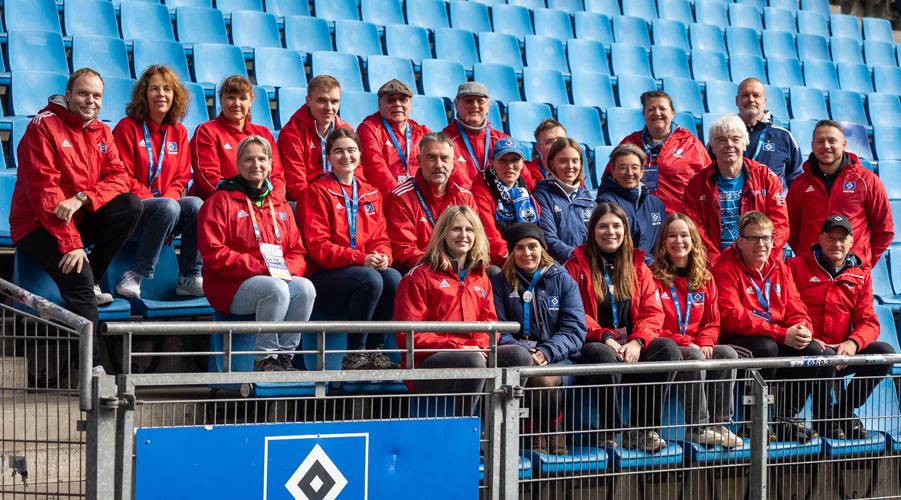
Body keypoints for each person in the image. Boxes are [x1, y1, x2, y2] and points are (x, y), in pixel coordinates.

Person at [11, 68, 143, 375]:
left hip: (76, 216)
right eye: (83, 93)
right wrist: (71, 244)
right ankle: (91, 369)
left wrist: (83, 198)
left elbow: (120, 178)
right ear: (68, 94)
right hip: (35, 222)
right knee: (79, 278)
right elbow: (44, 192)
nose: (90, 101)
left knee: (130, 205)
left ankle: (94, 278)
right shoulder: (43, 126)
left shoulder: (101, 131)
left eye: (97, 95)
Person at [395, 205, 533, 416]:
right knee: (472, 362)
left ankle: (500, 426)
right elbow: (409, 336)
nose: (463, 235)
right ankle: (466, 428)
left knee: (519, 355)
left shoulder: (481, 277)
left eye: (469, 229)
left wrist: (478, 347)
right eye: (456, 229)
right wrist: (461, 348)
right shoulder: (418, 276)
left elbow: (489, 325)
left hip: (473, 354)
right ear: (443, 233)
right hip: (424, 364)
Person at [565, 203, 681, 452]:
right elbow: (574, 313)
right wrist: (606, 337)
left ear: (625, 230)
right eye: (603, 226)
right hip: (592, 344)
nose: (610, 232)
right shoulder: (575, 266)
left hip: (631, 346)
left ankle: (642, 429)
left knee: (668, 349)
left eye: (617, 226)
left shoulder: (638, 266)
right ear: (592, 230)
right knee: (603, 354)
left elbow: (653, 311)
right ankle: (611, 429)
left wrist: (637, 341)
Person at [198, 136, 315, 371]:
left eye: (262, 159)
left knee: (305, 288)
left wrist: (283, 269)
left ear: (270, 164)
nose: (256, 165)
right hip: (228, 285)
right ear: (237, 164)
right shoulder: (219, 201)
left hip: (272, 278)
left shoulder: (279, 204)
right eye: (248, 159)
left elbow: (297, 252)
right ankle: (265, 358)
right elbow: (214, 252)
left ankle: (285, 357)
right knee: (276, 288)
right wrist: (261, 268)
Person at [712, 211, 821, 442]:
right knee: (766, 348)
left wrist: (802, 330)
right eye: (753, 238)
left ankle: (785, 420)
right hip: (734, 341)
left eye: (766, 238)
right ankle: (752, 422)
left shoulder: (779, 267)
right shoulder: (723, 268)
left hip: (772, 337)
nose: (760, 244)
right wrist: (781, 334)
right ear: (740, 241)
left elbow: (796, 306)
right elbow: (732, 316)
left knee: (811, 350)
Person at [300, 128, 402, 371]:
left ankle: (376, 352)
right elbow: (318, 247)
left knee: (392, 277)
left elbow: (381, 237)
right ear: (328, 156)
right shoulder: (316, 191)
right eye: (338, 151)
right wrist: (360, 258)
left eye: (351, 150)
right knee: (370, 278)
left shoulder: (371, 193)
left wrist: (382, 256)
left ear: (360, 154)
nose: (346, 156)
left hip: (360, 269)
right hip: (323, 276)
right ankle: (354, 354)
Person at [788, 215, 895, 440]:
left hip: (840, 352)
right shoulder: (794, 266)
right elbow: (787, 308)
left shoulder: (860, 276)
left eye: (842, 239)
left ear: (851, 242)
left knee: (885, 353)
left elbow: (868, 321)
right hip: (806, 349)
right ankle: (822, 417)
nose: (836, 243)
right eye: (831, 238)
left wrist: (853, 343)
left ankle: (844, 411)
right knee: (824, 354)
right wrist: (808, 337)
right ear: (820, 239)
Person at [492, 223, 587, 455]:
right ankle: (539, 435)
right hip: (520, 356)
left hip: (559, 357)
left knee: (543, 378)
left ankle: (551, 431)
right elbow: (498, 328)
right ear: (511, 252)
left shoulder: (563, 279)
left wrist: (547, 352)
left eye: (532, 246)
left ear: (542, 248)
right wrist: (524, 353)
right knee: (532, 373)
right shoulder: (500, 282)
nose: (527, 253)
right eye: (519, 248)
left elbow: (575, 329)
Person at [112, 65, 204, 298]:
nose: (161, 94)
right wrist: (163, 208)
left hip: (166, 211)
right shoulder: (126, 127)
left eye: (167, 89)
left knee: (196, 204)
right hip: (132, 213)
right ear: (144, 94)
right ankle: (134, 275)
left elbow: (181, 178)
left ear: (175, 95)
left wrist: (168, 215)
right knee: (168, 206)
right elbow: (123, 176)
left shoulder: (179, 132)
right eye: (154, 89)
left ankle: (189, 276)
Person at [651, 214, 742, 447]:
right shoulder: (652, 277)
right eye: (672, 235)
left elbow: (712, 322)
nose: (678, 241)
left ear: (693, 241)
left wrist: (706, 341)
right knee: (694, 356)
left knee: (728, 354)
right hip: (668, 346)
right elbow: (652, 323)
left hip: (696, 345)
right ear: (663, 242)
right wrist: (686, 342)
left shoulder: (705, 278)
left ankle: (720, 424)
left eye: (684, 235)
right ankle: (697, 428)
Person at [786, 120, 893, 270]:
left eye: (832, 141)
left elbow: (884, 230)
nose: (826, 146)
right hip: (810, 272)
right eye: (820, 141)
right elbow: (790, 228)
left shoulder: (867, 181)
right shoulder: (800, 184)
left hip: (853, 272)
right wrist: (805, 256)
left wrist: (863, 263)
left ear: (843, 145)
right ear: (812, 146)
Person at [683, 113, 788, 264]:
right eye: (721, 140)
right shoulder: (696, 183)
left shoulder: (767, 178)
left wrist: (761, 258)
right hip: (714, 264)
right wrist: (717, 263)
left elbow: (780, 224)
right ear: (712, 147)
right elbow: (694, 228)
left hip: (759, 262)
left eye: (735, 139)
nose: (729, 144)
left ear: (745, 144)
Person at [384, 132, 476, 274]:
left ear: (453, 162)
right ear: (419, 161)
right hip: (422, 268)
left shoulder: (465, 197)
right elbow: (403, 250)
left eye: (444, 158)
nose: (439, 165)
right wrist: (443, 263)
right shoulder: (399, 198)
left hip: (460, 266)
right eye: (431, 158)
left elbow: (477, 241)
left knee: (492, 272)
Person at [603, 90, 707, 215]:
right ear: (643, 114)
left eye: (663, 109)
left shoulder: (692, 145)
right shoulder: (629, 143)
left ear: (672, 113)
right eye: (651, 109)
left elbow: (709, 186)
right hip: (638, 222)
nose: (657, 113)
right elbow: (608, 183)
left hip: (679, 221)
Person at [190, 75, 285, 201]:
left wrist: (273, 201)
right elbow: (210, 178)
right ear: (220, 99)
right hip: (218, 202)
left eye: (243, 98)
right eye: (231, 98)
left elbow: (276, 176)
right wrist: (243, 201)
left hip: (259, 202)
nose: (237, 104)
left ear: (251, 100)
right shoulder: (206, 131)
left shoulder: (264, 133)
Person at [708, 78, 803, 193]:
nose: (751, 99)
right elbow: (707, 172)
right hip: (732, 202)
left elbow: (796, 181)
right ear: (737, 100)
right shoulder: (721, 135)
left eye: (756, 95)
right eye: (745, 95)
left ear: (764, 101)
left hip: (772, 203)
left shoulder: (784, 137)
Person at [277, 75, 354, 203]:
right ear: (308, 101)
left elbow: (357, 175)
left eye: (334, 102)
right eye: (322, 101)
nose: (329, 108)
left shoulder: (346, 131)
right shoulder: (291, 133)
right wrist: (327, 203)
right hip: (306, 200)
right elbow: (296, 188)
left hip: (340, 198)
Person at [443, 83, 532, 189]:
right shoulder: (443, 142)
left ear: (488, 105)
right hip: (460, 199)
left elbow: (527, 183)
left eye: (480, 101)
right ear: (456, 104)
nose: (475, 105)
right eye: (468, 100)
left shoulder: (503, 141)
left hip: (497, 199)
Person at [470, 137, 541, 270]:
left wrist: (539, 258)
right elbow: (491, 240)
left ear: (522, 163)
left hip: (526, 258)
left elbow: (540, 234)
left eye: (515, 160)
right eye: (502, 160)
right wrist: (522, 262)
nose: (509, 166)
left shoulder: (524, 192)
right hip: (499, 263)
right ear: (492, 161)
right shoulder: (479, 191)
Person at [357, 79, 431, 197]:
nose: (397, 104)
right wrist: (402, 198)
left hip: (419, 198)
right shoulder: (369, 128)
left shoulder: (423, 132)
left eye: (403, 99)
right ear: (379, 104)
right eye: (391, 100)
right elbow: (375, 169)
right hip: (385, 199)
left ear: (410, 103)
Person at [596, 144, 666, 266]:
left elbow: (662, 245)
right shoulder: (605, 204)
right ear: (613, 171)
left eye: (635, 168)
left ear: (642, 172)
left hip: (650, 271)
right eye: (623, 168)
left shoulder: (656, 204)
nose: (629, 173)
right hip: (618, 269)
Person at [532, 138, 596, 263]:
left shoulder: (586, 197)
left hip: (587, 265)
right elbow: (549, 240)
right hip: (558, 267)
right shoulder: (541, 195)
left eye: (575, 161)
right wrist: (580, 259)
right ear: (552, 164)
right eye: (563, 161)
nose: (570, 166)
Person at [525, 118, 567, 184]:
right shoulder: (527, 176)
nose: (557, 145)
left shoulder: (574, 173)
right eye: (549, 142)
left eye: (561, 140)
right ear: (539, 149)